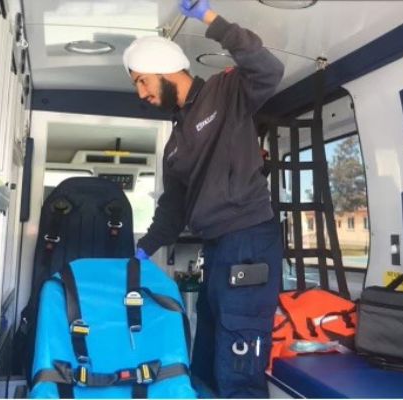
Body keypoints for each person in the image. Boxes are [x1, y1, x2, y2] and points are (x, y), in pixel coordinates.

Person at [122, 0, 284, 397]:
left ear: (166, 70)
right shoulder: (174, 145)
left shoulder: (225, 92)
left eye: (142, 80)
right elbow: (173, 208)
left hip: (249, 239)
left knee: (237, 364)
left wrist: (211, 20)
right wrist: (142, 251)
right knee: (207, 358)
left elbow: (269, 69)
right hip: (217, 248)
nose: (140, 92)